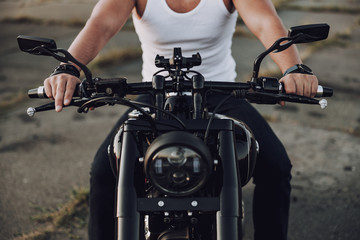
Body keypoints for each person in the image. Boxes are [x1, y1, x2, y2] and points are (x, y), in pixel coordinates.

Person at [44, 0, 319, 239]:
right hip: (155, 95)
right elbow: (102, 23)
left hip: (219, 93)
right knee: (105, 171)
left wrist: (293, 68)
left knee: (276, 167)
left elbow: (264, 20)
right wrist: (69, 67)